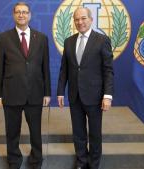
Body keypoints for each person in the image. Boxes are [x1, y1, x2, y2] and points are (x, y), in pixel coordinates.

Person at [0, 2, 51, 169]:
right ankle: (14, 161)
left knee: (36, 132)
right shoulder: (3, 38)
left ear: (30, 15)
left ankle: (36, 161)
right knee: (12, 131)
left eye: (25, 12)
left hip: (35, 92)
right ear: (13, 15)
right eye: (18, 12)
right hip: (11, 93)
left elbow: (45, 67)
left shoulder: (41, 38)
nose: (21, 15)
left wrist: (47, 93)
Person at [57, 7, 114, 169]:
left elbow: (108, 70)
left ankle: (94, 164)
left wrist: (107, 95)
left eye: (83, 18)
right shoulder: (69, 41)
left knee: (95, 134)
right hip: (74, 95)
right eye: (76, 19)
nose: (80, 22)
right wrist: (60, 91)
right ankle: (81, 162)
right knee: (78, 133)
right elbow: (64, 69)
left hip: (95, 96)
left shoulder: (102, 40)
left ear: (91, 20)